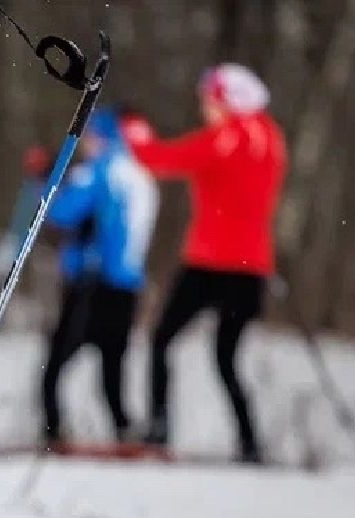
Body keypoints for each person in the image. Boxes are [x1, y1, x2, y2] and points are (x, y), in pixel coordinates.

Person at [124, 64, 288, 463]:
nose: (205, 109)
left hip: (211, 264)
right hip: (253, 269)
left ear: (226, 99)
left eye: (209, 100)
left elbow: (161, 159)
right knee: (226, 359)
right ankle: (250, 442)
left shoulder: (228, 137)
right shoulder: (270, 137)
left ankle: (159, 428)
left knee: (162, 338)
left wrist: (134, 131)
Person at [40, 107, 160, 447]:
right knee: (112, 367)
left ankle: (53, 431)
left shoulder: (98, 172)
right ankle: (124, 431)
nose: (86, 144)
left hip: (92, 284)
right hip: (127, 285)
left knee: (55, 364)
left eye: (90, 136)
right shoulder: (139, 174)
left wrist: (44, 177)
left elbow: (61, 211)